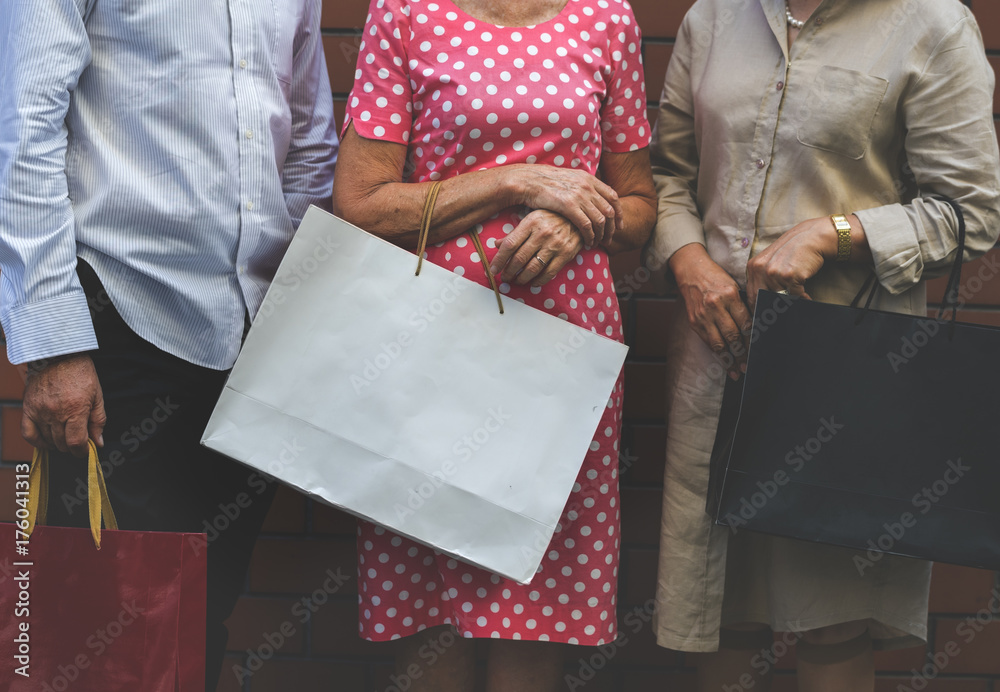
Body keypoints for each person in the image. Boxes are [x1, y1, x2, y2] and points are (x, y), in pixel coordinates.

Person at [647, 0, 1000, 689]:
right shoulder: (715, 17)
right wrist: (689, 264)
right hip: (715, 352)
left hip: (846, 368)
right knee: (719, 607)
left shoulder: (931, 22)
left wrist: (832, 232)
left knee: (833, 621)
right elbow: (668, 175)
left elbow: (972, 213)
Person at [0, 0, 338, 687]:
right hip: (118, 323)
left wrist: (297, 310)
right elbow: (24, 130)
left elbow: (307, 141)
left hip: (253, 329)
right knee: (110, 620)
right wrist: (55, 344)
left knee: (200, 609)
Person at [333, 0, 656, 688]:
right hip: (425, 350)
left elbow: (639, 206)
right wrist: (516, 181)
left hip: (563, 357)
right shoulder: (406, 12)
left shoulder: (607, 17)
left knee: (537, 597)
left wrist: (582, 222)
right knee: (429, 604)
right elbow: (360, 205)